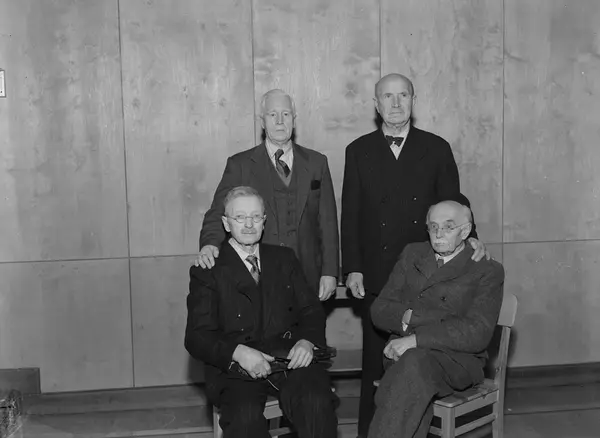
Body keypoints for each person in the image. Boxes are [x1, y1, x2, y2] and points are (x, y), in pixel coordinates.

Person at [340, 73, 488, 436]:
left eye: (402, 95)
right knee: (377, 363)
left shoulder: (436, 148)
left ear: (413, 101)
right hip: (377, 273)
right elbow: (351, 214)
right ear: (376, 105)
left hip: (426, 271)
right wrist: (353, 267)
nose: (395, 103)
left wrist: (472, 238)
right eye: (387, 96)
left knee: (419, 363)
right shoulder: (357, 150)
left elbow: (455, 204)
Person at [185, 186, 338, 438]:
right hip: (236, 369)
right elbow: (197, 336)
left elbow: (311, 310)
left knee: (317, 401)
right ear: (226, 223)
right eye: (240, 217)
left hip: (288, 358)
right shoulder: (209, 269)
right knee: (244, 419)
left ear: (264, 221)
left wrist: (307, 341)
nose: (248, 225)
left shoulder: (284, 258)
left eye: (255, 217)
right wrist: (238, 353)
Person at [367, 198, 504, 438]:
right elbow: (379, 310)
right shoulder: (413, 254)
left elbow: (476, 333)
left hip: (457, 360)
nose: (439, 234)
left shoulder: (486, 269)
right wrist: (418, 321)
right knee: (411, 376)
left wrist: (415, 337)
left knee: (409, 373)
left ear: (465, 231)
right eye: (433, 227)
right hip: (402, 354)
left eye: (448, 227)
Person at [196, 89, 339, 301]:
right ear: (262, 122)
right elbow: (218, 211)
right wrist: (210, 244)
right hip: (258, 278)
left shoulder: (317, 163)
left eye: (286, 114)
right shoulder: (240, 165)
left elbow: (327, 223)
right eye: (273, 115)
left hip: (307, 276)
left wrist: (330, 272)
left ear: (294, 119)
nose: (280, 121)